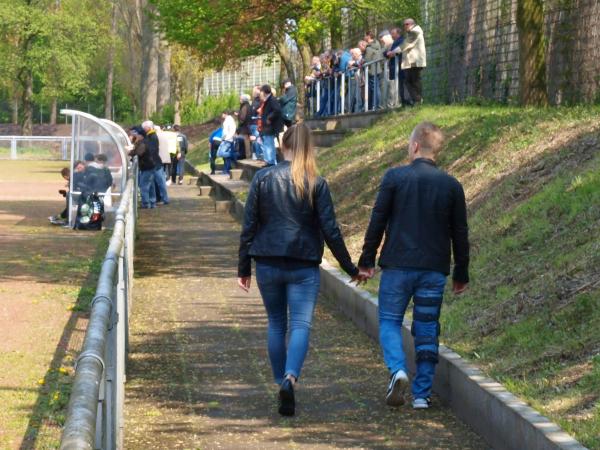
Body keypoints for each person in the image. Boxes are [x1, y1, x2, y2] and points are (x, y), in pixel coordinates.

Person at [238, 123, 363, 417]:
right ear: (309, 149)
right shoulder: (316, 183)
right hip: (304, 265)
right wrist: (351, 269)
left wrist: (243, 266)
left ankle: (279, 381)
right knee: (301, 325)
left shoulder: (263, 178)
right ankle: (291, 378)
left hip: (267, 262)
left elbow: (249, 227)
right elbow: (331, 231)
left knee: (276, 324)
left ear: (283, 146)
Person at [357, 122, 470, 410]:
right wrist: (461, 272)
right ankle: (421, 395)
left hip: (397, 265)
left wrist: (367, 260)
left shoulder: (395, 177)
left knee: (390, 321)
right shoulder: (452, 185)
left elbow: (378, 221)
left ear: (415, 146)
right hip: (434, 269)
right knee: (427, 328)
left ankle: (397, 370)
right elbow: (460, 233)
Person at [142, 120, 169, 206]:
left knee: (154, 183)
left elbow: (151, 150)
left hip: (153, 164)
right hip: (156, 163)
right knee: (160, 182)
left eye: (144, 128)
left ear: (148, 128)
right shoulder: (152, 136)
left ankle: (159, 199)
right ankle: (164, 198)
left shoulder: (151, 136)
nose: (143, 129)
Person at [401, 19, 426, 104]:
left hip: (415, 61)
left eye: (406, 24)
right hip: (411, 61)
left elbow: (405, 45)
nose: (405, 26)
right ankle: (417, 100)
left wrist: (393, 52)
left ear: (412, 24)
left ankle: (418, 100)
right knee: (410, 81)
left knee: (414, 81)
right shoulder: (412, 32)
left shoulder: (415, 32)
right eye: (404, 24)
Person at [258, 84, 283, 166]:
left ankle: (270, 161)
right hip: (268, 126)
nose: (260, 93)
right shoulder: (268, 100)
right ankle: (269, 160)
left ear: (264, 92)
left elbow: (277, 110)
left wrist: (269, 117)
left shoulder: (272, 99)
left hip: (271, 126)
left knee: (269, 144)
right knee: (267, 143)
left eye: (261, 91)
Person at [362, 31, 383, 110]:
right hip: (377, 69)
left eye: (365, 35)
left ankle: (376, 105)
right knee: (376, 87)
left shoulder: (369, 47)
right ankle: (376, 104)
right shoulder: (377, 44)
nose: (364, 37)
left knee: (374, 88)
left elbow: (367, 59)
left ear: (369, 36)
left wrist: (363, 61)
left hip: (371, 70)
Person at [218, 110, 237, 174]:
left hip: (227, 140)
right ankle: (226, 170)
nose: (221, 115)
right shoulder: (228, 120)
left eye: (222, 114)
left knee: (220, 153)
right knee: (226, 158)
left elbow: (231, 130)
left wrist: (226, 138)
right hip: (227, 139)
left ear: (225, 114)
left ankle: (233, 155)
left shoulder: (229, 120)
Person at [237, 94, 253, 159]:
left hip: (245, 128)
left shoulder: (244, 107)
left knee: (246, 143)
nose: (239, 100)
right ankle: (247, 156)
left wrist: (238, 116)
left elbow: (242, 118)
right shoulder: (248, 105)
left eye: (240, 99)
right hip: (247, 126)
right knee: (247, 142)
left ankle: (247, 157)